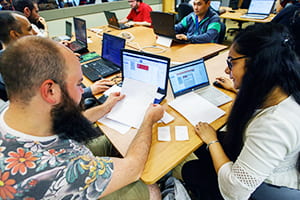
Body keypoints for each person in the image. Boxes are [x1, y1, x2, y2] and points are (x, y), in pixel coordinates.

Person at [0, 36, 164, 199]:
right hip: (81, 177)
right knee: (150, 185)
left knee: (113, 142)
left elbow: (65, 124)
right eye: (79, 84)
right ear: (51, 91)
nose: (82, 92)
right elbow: (134, 169)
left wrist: (105, 107)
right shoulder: (59, 171)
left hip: (79, 158)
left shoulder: (14, 109)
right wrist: (148, 120)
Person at [181, 23, 300, 200]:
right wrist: (239, 87)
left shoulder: (274, 125)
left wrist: (212, 140)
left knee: (191, 169)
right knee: (199, 146)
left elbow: (235, 191)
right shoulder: (284, 86)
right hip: (266, 162)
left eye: (232, 62)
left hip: (265, 187)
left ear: (257, 67)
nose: (227, 70)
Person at [0, 11, 113, 102]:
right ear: (14, 34)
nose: (35, 33)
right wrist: (90, 90)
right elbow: (50, 102)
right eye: (29, 29)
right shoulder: (17, 69)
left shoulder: (11, 57)